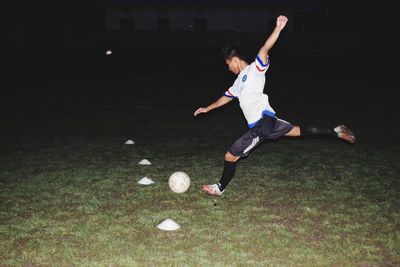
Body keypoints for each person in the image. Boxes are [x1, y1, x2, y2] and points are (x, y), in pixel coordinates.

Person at [193, 15, 356, 196]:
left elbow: (265, 48)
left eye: (227, 64)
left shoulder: (255, 69)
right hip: (270, 122)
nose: (228, 68)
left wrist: (278, 29)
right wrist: (208, 108)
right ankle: (335, 131)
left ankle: (219, 188)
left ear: (234, 59)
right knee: (299, 131)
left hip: (261, 126)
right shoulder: (238, 82)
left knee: (230, 155)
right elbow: (225, 97)